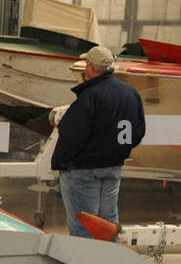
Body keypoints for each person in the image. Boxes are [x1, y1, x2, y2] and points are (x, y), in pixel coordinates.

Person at [51, 45, 145, 239]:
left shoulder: (90, 96)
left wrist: (65, 162)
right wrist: (117, 151)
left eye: (86, 64)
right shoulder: (131, 93)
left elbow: (73, 134)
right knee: (109, 222)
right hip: (113, 168)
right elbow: (138, 131)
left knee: (84, 225)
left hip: (83, 171)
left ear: (91, 68)